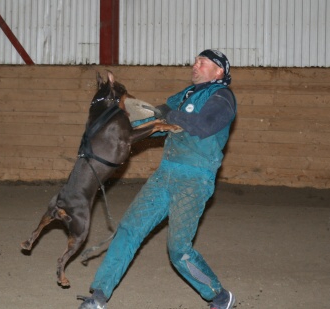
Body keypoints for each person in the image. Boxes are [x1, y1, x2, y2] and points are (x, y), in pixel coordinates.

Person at [78, 49, 237, 309]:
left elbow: (204, 125)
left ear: (219, 71)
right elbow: (156, 119)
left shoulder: (222, 97)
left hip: (195, 180)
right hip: (165, 174)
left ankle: (219, 296)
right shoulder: (186, 95)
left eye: (202, 62)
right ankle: (99, 295)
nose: (195, 65)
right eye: (195, 60)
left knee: (178, 250)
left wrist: (168, 115)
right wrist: (123, 113)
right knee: (129, 229)